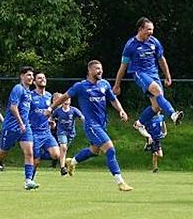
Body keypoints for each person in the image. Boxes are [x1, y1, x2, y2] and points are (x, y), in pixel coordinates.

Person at [52, 60, 134, 192]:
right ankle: (120, 182)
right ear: (90, 71)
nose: (100, 71)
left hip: (102, 125)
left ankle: (71, 162)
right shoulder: (80, 86)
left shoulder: (104, 84)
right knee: (110, 149)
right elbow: (64, 97)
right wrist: (51, 108)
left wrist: (121, 110)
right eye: (97, 69)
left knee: (94, 151)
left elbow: (113, 99)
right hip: (91, 125)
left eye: (101, 68)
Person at [112, 17, 184, 127]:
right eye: (148, 29)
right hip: (139, 73)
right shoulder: (130, 45)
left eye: (152, 29)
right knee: (157, 90)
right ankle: (173, 114)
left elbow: (161, 59)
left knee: (157, 107)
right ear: (140, 29)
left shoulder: (154, 42)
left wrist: (168, 76)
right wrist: (117, 85)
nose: (151, 32)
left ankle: (139, 124)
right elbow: (123, 66)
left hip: (154, 74)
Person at [0, 66, 39, 190]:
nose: (31, 78)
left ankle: (28, 180)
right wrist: (20, 123)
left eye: (32, 76)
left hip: (25, 127)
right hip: (12, 127)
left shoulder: (29, 93)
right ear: (22, 76)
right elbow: (13, 107)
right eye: (28, 75)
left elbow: (32, 110)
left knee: (29, 152)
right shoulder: (18, 88)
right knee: (2, 153)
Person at [29, 72, 63, 178]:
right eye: (39, 78)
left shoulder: (49, 96)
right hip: (34, 132)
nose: (42, 79)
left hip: (46, 132)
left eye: (44, 78)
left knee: (56, 154)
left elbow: (49, 113)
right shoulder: (30, 96)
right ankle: (29, 180)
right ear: (34, 82)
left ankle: (35, 155)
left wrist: (51, 122)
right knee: (36, 162)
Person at [51, 93, 84, 176]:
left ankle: (68, 163)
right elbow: (52, 118)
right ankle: (62, 168)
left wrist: (87, 124)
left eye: (68, 99)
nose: (67, 101)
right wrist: (52, 123)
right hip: (61, 132)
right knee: (63, 147)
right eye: (65, 99)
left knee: (64, 150)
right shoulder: (58, 111)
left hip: (71, 133)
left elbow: (82, 117)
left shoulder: (74, 110)